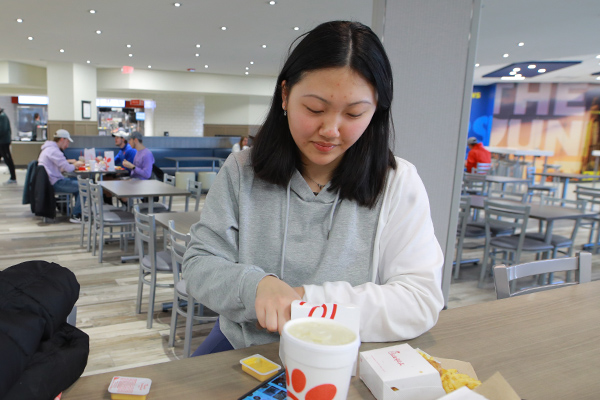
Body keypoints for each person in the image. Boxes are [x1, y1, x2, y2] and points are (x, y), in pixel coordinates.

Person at [182, 21, 444, 356]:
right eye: (315, 109)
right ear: (286, 95)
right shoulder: (241, 170)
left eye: (354, 113)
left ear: (376, 111)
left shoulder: (396, 182)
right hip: (245, 349)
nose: (331, 130)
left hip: (343, 357)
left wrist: (306, 299)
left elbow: (419, 300)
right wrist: (256, 287)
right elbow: (200, 263)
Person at [38, 129, 85, 222]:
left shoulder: (48, 149)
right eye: (67, 142)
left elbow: (60, 167)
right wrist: (75, 165)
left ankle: (70, 209)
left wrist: (70, 165)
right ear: (62, 139)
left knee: (75, 181)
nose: (67, 145)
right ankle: (76, 215)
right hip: (54, 183)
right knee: (84, 186)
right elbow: (67, 168)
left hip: (48, 182)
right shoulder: (54, 151)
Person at [0, 107, 17, 185]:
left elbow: (2, 129)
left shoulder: (2, 116)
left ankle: (13, 178)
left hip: (3, 142)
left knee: (7, 159)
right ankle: (12, 177)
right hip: (2, 141)